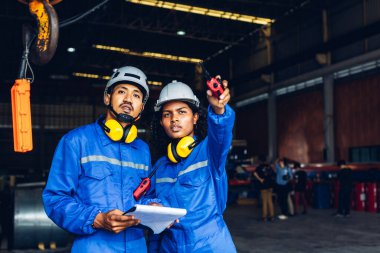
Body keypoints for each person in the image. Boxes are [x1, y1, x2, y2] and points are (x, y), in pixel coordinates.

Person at [42, 66, 161, 252]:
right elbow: (55, 199)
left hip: (136, 246)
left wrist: (155, 207)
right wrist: (97, 219)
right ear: (107, 97)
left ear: (142, 107)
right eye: (122, 91)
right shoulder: (76, 141)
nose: (129, 99)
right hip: (93, 247)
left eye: (137, 95)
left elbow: (147, 195)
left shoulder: (142, 150)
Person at [149, 79, 237, 252]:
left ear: (195, 117)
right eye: (167, 114)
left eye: (182, 112)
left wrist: (219, 109)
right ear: (161, 122)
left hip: (210, 246)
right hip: (170, 247)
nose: (174, 119)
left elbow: (221, 131)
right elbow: (149, 203)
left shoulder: (210, 152)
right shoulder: (160, 166)